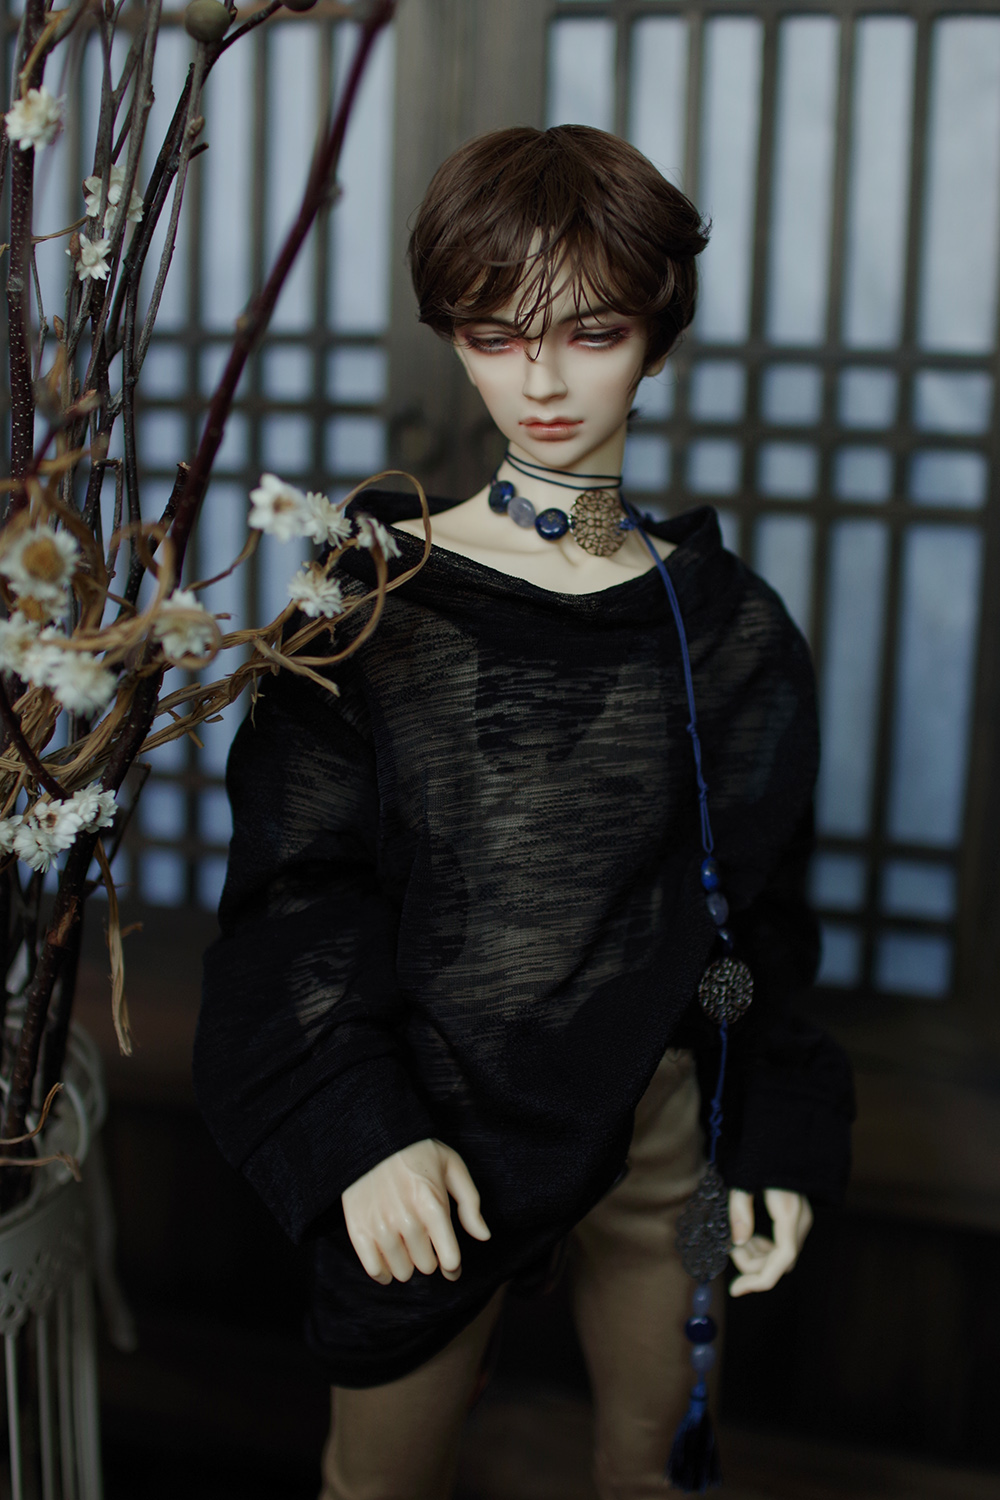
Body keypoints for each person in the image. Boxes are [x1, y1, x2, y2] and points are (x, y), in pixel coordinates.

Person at [194, 124, 854, 1499]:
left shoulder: (727, 625)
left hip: (666, 1128)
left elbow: (758, 917)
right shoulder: (375, 602)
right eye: (496, 336)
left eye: (593, 332)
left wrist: (769, 1130)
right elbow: (295, 899)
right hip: (433, 1128)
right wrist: (355, 1127)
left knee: (663, 1469)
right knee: (380, 1481)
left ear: (657, 339)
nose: (542, 381)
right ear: (454, 338)